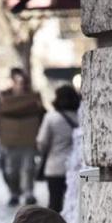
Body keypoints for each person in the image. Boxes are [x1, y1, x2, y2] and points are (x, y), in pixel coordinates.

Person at [0, 68, 45, 207]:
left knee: (28, 168)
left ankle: (28, 193)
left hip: (28, 138)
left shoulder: (33, 96)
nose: (21, 85)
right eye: (18, 82)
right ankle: (14, 193)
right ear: (12, 82)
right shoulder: (3, 96)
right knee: (11, 170)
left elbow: (41, 113)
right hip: (9, 139)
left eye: (23, 82)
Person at [37, 85, 81, 213]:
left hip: (55, 168)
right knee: (73, 205)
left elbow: (42, 142)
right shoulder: (81, 117)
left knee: (55, 204)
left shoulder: (51, 118)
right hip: (75, 167)